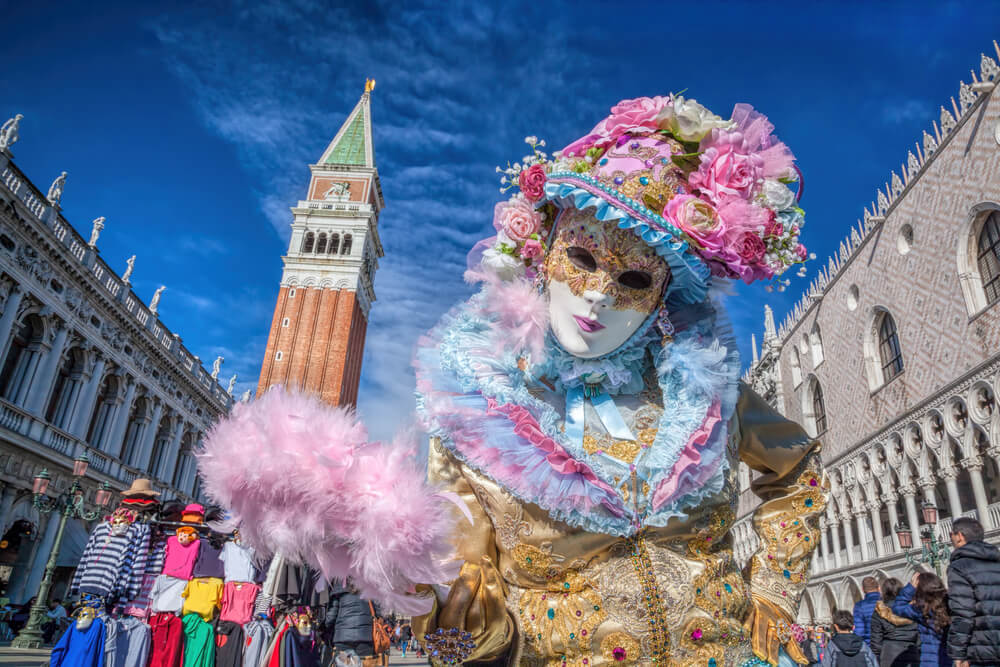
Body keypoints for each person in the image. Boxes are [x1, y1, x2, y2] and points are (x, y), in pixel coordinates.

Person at [201, 95, 827, 666]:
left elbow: (797, 470)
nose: (600, 295)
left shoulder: (705, 396)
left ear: (663, 295)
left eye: (633, 281)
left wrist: (771, 596)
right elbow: (476, 608)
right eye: (581, 259)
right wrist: (446, 599)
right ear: (542, 257)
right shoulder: (476, 419)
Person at [946, 516, 1000, 667]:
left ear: (960, 537)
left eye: (952, 534)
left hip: (984, 651)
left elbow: (963, 614)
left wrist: (958, 654)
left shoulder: (959, 567)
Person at [891, 573, 950, 667]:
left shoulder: (921, 610)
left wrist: (910, 587)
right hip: (951, 659)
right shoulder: (951, 605)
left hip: (930, 661)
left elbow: (897, 607)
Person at [869, 577, 919, 667]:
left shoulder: (879, 611)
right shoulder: (911, 609)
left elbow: (876, 643)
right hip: (911, 652)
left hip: (889, 655)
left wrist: (877, 660)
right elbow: (919, 635)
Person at [854, 576, 882, 645]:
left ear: (863, 590)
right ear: (878, 587)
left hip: (870, 645)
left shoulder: (859, 606)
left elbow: (859, 632)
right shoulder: (887, 602)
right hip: (887, 646)